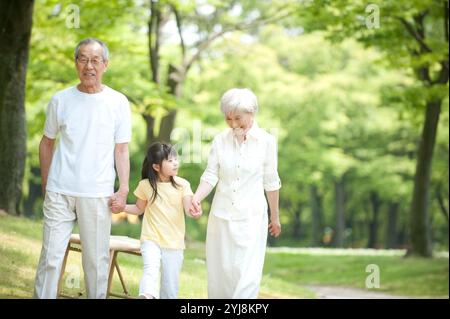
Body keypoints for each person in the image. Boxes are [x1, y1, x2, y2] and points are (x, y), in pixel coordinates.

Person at [33, 38, 131, 299]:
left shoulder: (118, 102)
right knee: (51, 257)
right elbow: (46, 143)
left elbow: (121, 149)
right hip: (59, 190)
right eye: (83, 59)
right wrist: (47, 183)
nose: (89, 66)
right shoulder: (60, 100)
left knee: (96, 262)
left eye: (95, 60)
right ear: (76, 63)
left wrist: (123, 189)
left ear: (105, 65)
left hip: (98, 193)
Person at [190, 88, 282, 299]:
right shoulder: (220, 140)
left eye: (237, 118)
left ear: (252, 113)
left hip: (251, 218)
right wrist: (196, 198)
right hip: (221, 218)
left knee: (246, 277)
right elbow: (211, 174)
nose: (232, 124)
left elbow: (271, 182)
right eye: (228, 118)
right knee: (220, 276)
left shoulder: (267, 142)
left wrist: (274, 216)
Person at [111, 142, 201, 299]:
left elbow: (188, 208)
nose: (175, 163)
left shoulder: (182, 185)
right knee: (150, 269)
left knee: (170, 288)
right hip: (151, 239)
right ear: (156, 167)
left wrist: (194, 211)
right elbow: (139, 209)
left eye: (175, 159)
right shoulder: (146, 185)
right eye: (170, 160)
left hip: (174, 243)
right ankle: (146, 295)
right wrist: (122, 207)